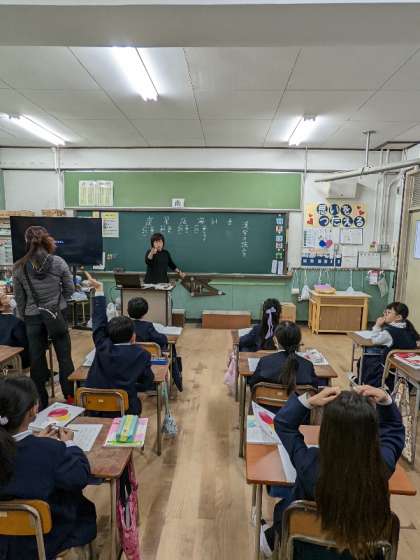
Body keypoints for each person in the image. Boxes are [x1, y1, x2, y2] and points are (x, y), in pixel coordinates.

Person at [260, 385, 405, 559]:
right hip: (364, 555)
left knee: (287, 506)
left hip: (309, 554)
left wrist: (309, 401)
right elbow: (394, 430)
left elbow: (284, 423)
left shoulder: (310, 464)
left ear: (327, 431)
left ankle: (270, 539)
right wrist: (386, 401)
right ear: (372, 433)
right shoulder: (382, 465)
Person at [0, 376, 96, 559]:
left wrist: (37, 442)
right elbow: (80, 477)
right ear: (33, 410)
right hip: (43, 542)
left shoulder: (40, 448)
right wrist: (69, 445)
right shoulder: (50, 451)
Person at [13, 226, 75, 409]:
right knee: (64, 358)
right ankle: (69, 397)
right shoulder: (59, 262)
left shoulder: (19, 267)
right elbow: (70, 289)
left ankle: (42, 402)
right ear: (48, 240)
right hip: (56, 315)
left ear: (26, 242)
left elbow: (19, 300)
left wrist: (25, 317)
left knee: (37, 360)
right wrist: (58, 303)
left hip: (33, 318)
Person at [84, 272, 154, 415]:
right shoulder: (142, 355)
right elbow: (147, 383)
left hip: (94, 408)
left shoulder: (103, 346)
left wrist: (99, 290)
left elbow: (98, 323)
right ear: (133, 337)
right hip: (125, 409)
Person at [248, 321, 318, 407]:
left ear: (275, 340)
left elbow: (253, 385)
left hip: (267, 411)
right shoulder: (308, 366)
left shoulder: (265, 361)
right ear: (299, 341)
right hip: (298, 413)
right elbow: (314, 391)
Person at [360, 302, 419, 387]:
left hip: (390, 366)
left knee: (365, 358)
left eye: (389, 312)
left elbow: (374, 340)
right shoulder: (408, 326)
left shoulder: (389, 332)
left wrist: (377, 325)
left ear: (398, 317)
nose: (385, 315)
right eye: (385, 312)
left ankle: (362, 384)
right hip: (405, 365)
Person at [0, 293, 30, 369]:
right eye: (5, 297)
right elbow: (24, 344)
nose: (10, 298)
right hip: (15, 362)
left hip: (3, 361)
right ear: (2, 307)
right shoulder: (17, 322)